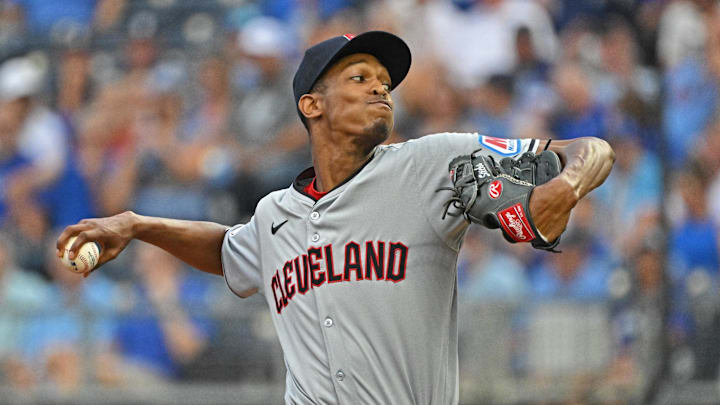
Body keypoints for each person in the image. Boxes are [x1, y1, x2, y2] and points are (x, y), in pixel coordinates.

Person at [57, 31, 615, 404]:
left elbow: (590, 147)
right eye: (360, 77)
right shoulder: (276, 214)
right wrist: (134, 225)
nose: (381, 87)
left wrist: (565, 184)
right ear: (312, 104)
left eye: (384, 80)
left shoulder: (431, 162)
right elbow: (230, 250)